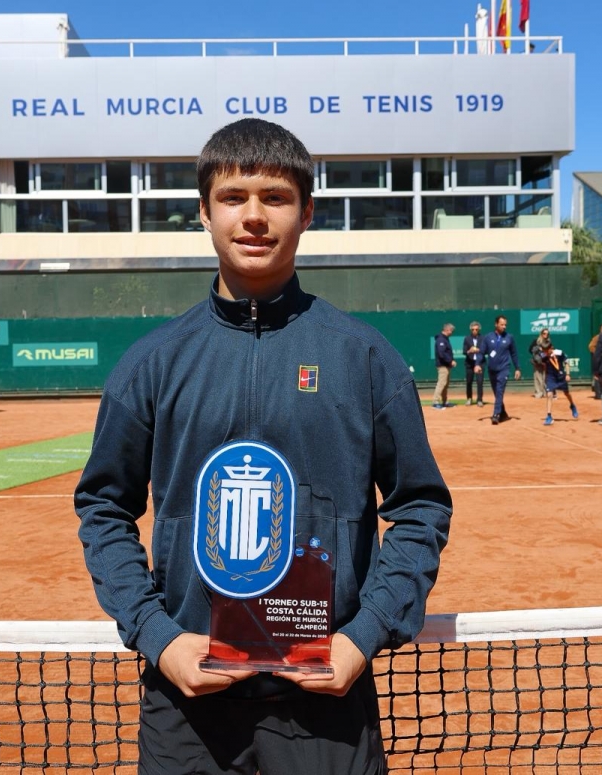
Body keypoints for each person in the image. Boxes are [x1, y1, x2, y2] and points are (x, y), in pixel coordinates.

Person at [73, 118, 453, 775]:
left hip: (324, 706)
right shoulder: (152, 363)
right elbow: (102, 507)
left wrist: (362, 637)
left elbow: (421, 508)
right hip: (186, 709)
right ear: (203, 212)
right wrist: (158, 638)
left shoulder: (364, 359)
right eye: (233, 197)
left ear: (307, 212)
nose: (253, 216)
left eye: (275, 197)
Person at [477, 314, 521, 425]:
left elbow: (514, 354)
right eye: (502, 324)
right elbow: (481, 352)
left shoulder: (509, 337)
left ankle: (496, 415)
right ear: (496, 324)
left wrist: (517, 368)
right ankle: (504, 413)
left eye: (505, 325)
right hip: (492, 369)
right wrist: (477, 364)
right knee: (497, 393)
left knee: (500, 390)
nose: (504, 327)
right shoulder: (488, 337)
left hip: (504, 369)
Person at [541, 341, 578, 426]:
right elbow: (544, 366)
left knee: (567, 393)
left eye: (546, 350)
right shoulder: (543, 356)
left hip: (561, 377)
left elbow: (566, 362)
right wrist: (545, 378)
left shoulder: (559, 353)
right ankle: (549, 416)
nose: (545, 352)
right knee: (549, 394)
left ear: (551, 348)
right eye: (544, 350)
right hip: (551, 377)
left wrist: (568, 374)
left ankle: (572, 405)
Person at [433, 322, 456, 409]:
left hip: (446, 365)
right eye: (451, 331)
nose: (452, 332)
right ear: (447, 329)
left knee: (445, 384)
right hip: (442, 366)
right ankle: (435, 402)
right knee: (441, 383)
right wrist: (450, 361)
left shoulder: (445, 339)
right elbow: (441, 353)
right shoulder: (441, 339)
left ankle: (444, 401)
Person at [462, 321, 485, 407]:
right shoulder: (467, 339)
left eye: (476, 329)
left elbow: (485, 350)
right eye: (473, 329)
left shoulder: (483, 338)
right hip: (469, 363)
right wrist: (469, 351)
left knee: (480, 382)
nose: (474, 331)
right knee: (469, 382)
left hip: (480, 363)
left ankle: (479, 400)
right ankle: (469, 399)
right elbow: (464, 351)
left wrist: (479, 350)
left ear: (479, 329)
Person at [529, 328, 551, 399]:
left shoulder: (549, 342)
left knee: (545, 378)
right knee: (538, 378)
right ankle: (538, 393)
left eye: (547, 334)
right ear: (541, 334)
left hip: (545, 362)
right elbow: (530, 349)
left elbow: (550, 351)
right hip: (537, 361)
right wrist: (537, 350)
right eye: (544, 333)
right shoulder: (536, 341)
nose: (546, 335)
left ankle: (544, 393)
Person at [589, 321, 602, 398]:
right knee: (598, 376)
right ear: (600, 329)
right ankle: (598, 393)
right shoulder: (597, 337)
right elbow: (591, 347)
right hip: (599, 360)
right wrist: (599, 353)